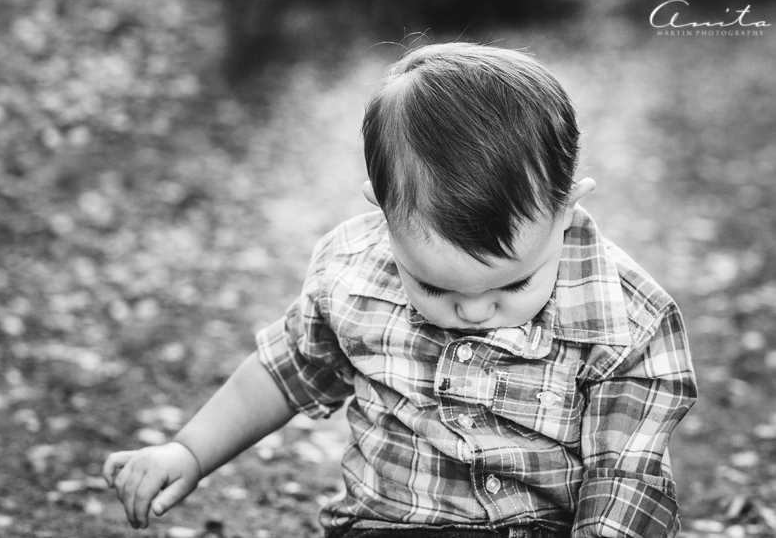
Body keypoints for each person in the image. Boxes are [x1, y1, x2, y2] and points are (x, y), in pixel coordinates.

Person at [102, 43, 697, 538]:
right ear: (382, 213)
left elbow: (626, 477)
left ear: (566, 209)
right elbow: (286, 370)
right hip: (386, 524)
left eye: (514, 283)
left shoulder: (625, 321)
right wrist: (188, 451)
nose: (473, 311)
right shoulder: (354, 275)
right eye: (434, 287)